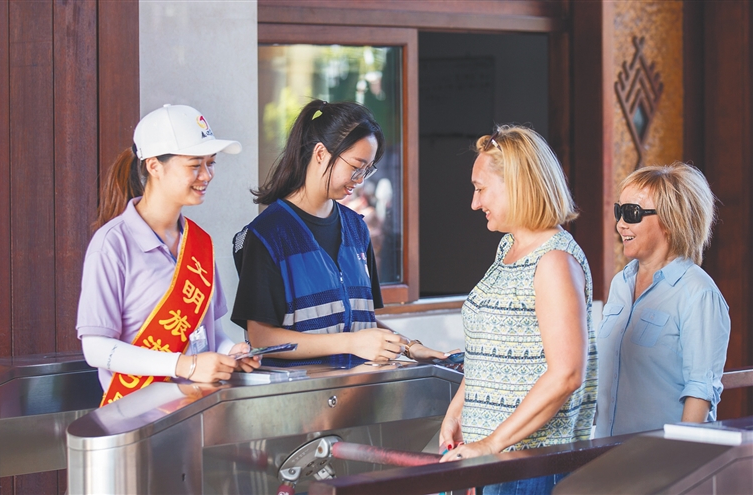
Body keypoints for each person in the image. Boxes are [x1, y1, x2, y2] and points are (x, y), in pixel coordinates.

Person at [438, 125, 597, 495]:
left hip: (530, 465)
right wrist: (457, 412)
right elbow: (488, 351)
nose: (474, 203)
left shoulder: (554, 261)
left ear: (517, 185)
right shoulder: (508, 248)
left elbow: (566, 375)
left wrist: (491, 443)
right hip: (495, 461)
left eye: (480, 189)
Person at [231, 100, 453, 363]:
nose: (360, 179)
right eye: (356, 166)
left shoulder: (357, 228)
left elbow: (362, 323)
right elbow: (261, 338)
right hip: (300, 387)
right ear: (321, 153)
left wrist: (410, 347)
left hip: (359, 386)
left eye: (368, 170)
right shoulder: (267, 234)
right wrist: (350, 343)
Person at [76, 104, 261, 406]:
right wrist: (183, 366)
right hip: (136, 417)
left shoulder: (199, 242)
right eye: (194, 165)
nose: (206, 175)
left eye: (211, 163)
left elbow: (209, 333)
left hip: (195, 411)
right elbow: (96, 348)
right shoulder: (112, 244)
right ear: (154, 166)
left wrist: (230, 352)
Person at [595, 162, 730, 437]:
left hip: (659, 457)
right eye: (619, 211)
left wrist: (674, 456)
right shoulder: (621, 283)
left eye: (632, 213)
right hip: (606, 454)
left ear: (670, 222)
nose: (620, 224)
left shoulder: (699, 293)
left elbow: (700, 391)